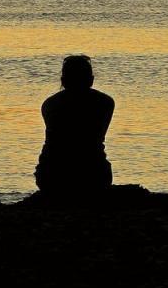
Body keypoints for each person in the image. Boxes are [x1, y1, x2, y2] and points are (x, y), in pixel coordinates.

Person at [34, 55, 115, 197]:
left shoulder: (50, 105)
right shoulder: (105, 103)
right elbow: (95, 139)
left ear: (63, 81)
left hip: (51, 177)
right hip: (94, 176)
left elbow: (56, 142)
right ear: (91, 80)